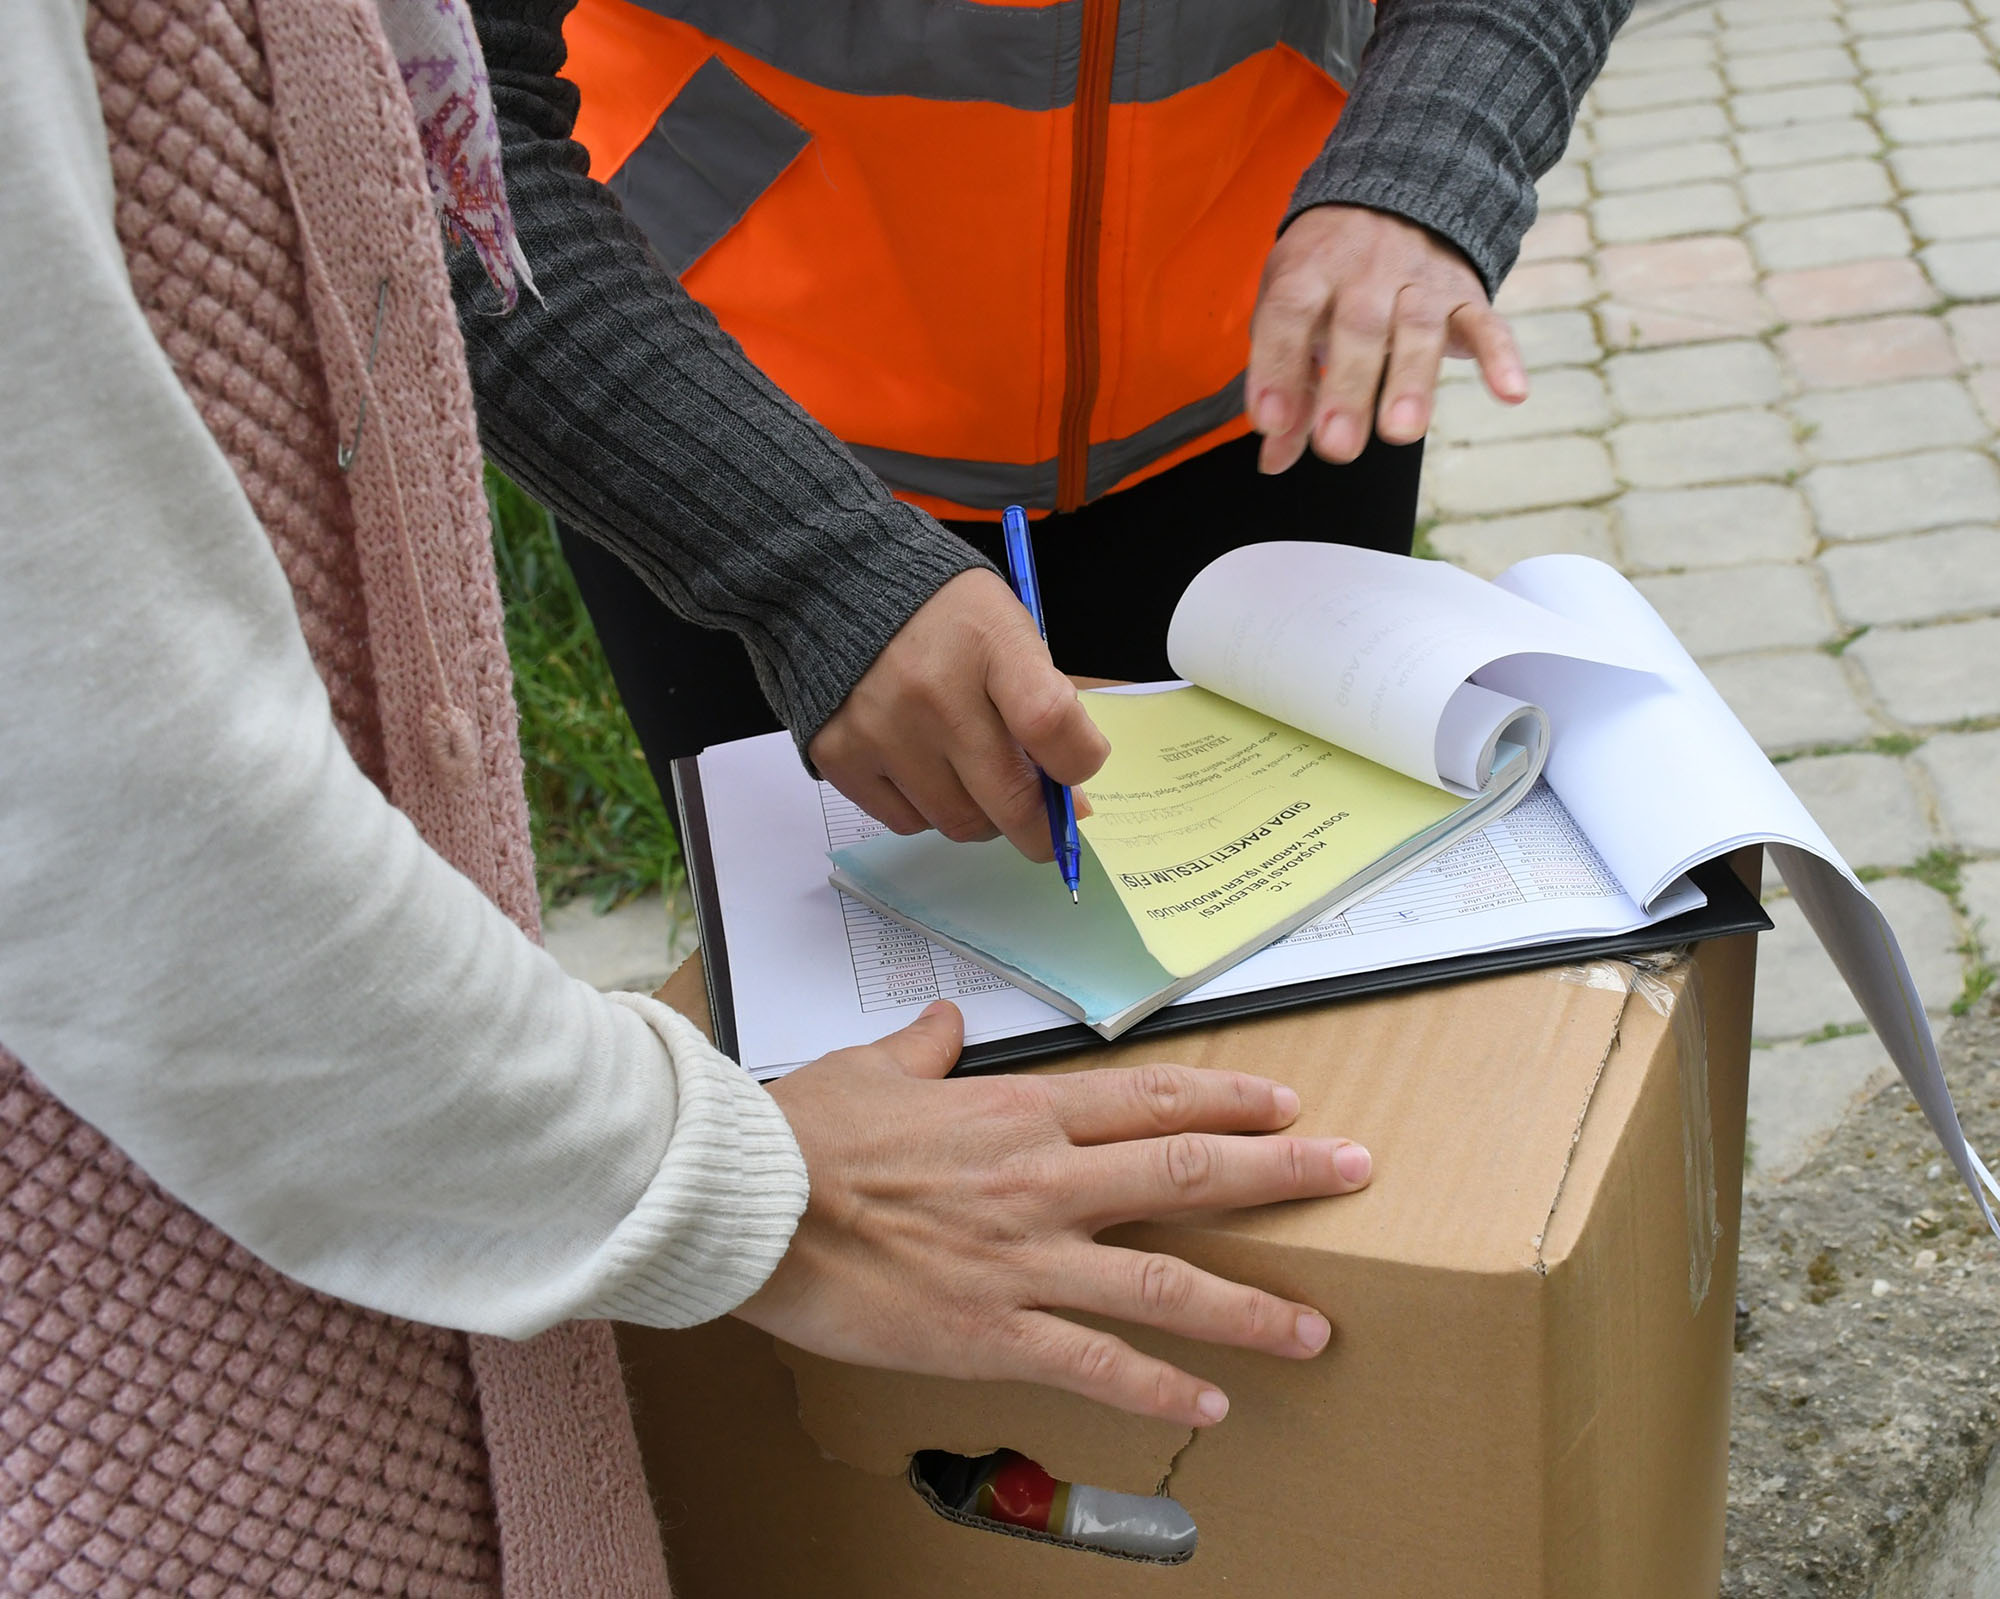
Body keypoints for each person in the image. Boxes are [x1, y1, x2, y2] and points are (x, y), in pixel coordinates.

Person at [0, 0, 1373, 1591]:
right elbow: (116, 823)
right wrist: (733, 1188)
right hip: (178, 1342)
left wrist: (1422, 160)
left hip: (1235, 386)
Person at [455, 0, 1627, 859]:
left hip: (1266, 376)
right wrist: (808, 571)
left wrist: (1427, 155)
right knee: (878, 1049)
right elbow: (425, 136)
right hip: (712, 425)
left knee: (1303, 985)